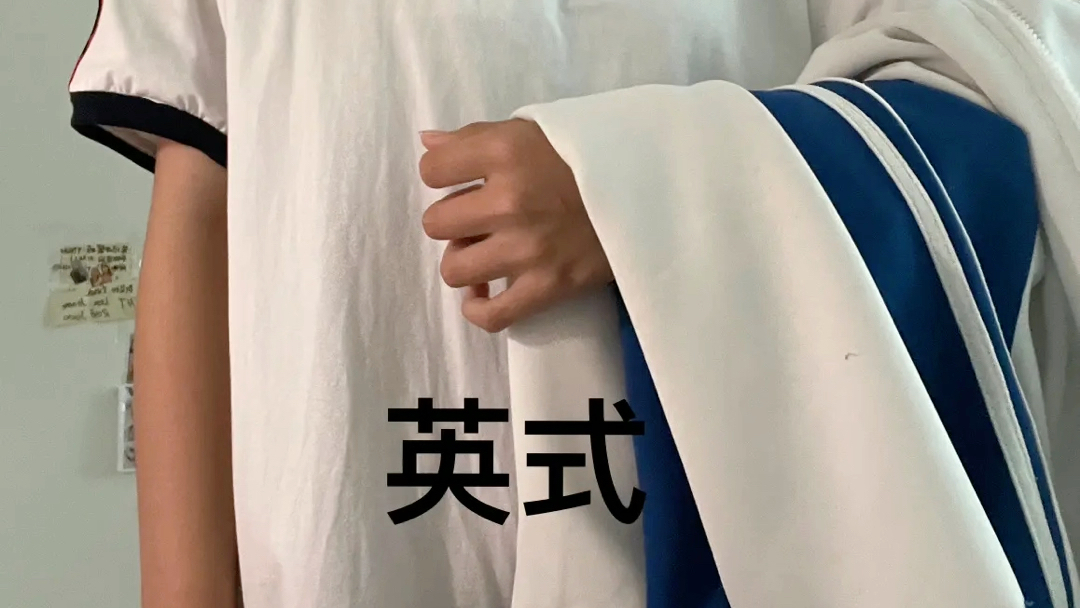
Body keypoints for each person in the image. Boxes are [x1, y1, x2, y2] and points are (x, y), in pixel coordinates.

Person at [67, 0, 1080, 607]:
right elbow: (201, 189)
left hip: (711, 514)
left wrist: (647, 192)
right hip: (349, 524)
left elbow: (992, 87)